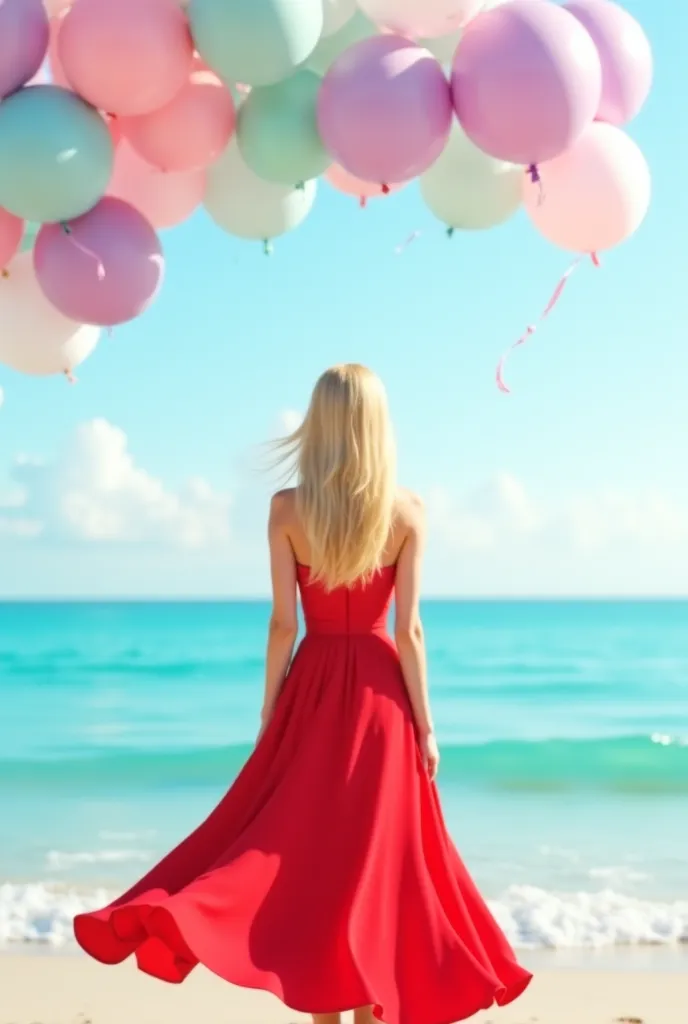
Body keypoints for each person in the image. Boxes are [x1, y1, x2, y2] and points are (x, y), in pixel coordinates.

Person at [74, 364, 532, 1024]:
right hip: (382, 704)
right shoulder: (407, 511)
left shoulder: (287, 509)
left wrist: (271, 710)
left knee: (310, 859)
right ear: (378, 426)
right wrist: (427, 726)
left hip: (311, 692)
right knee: (375, 869)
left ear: (317, 425)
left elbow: (284, 624)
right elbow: (409, 631)